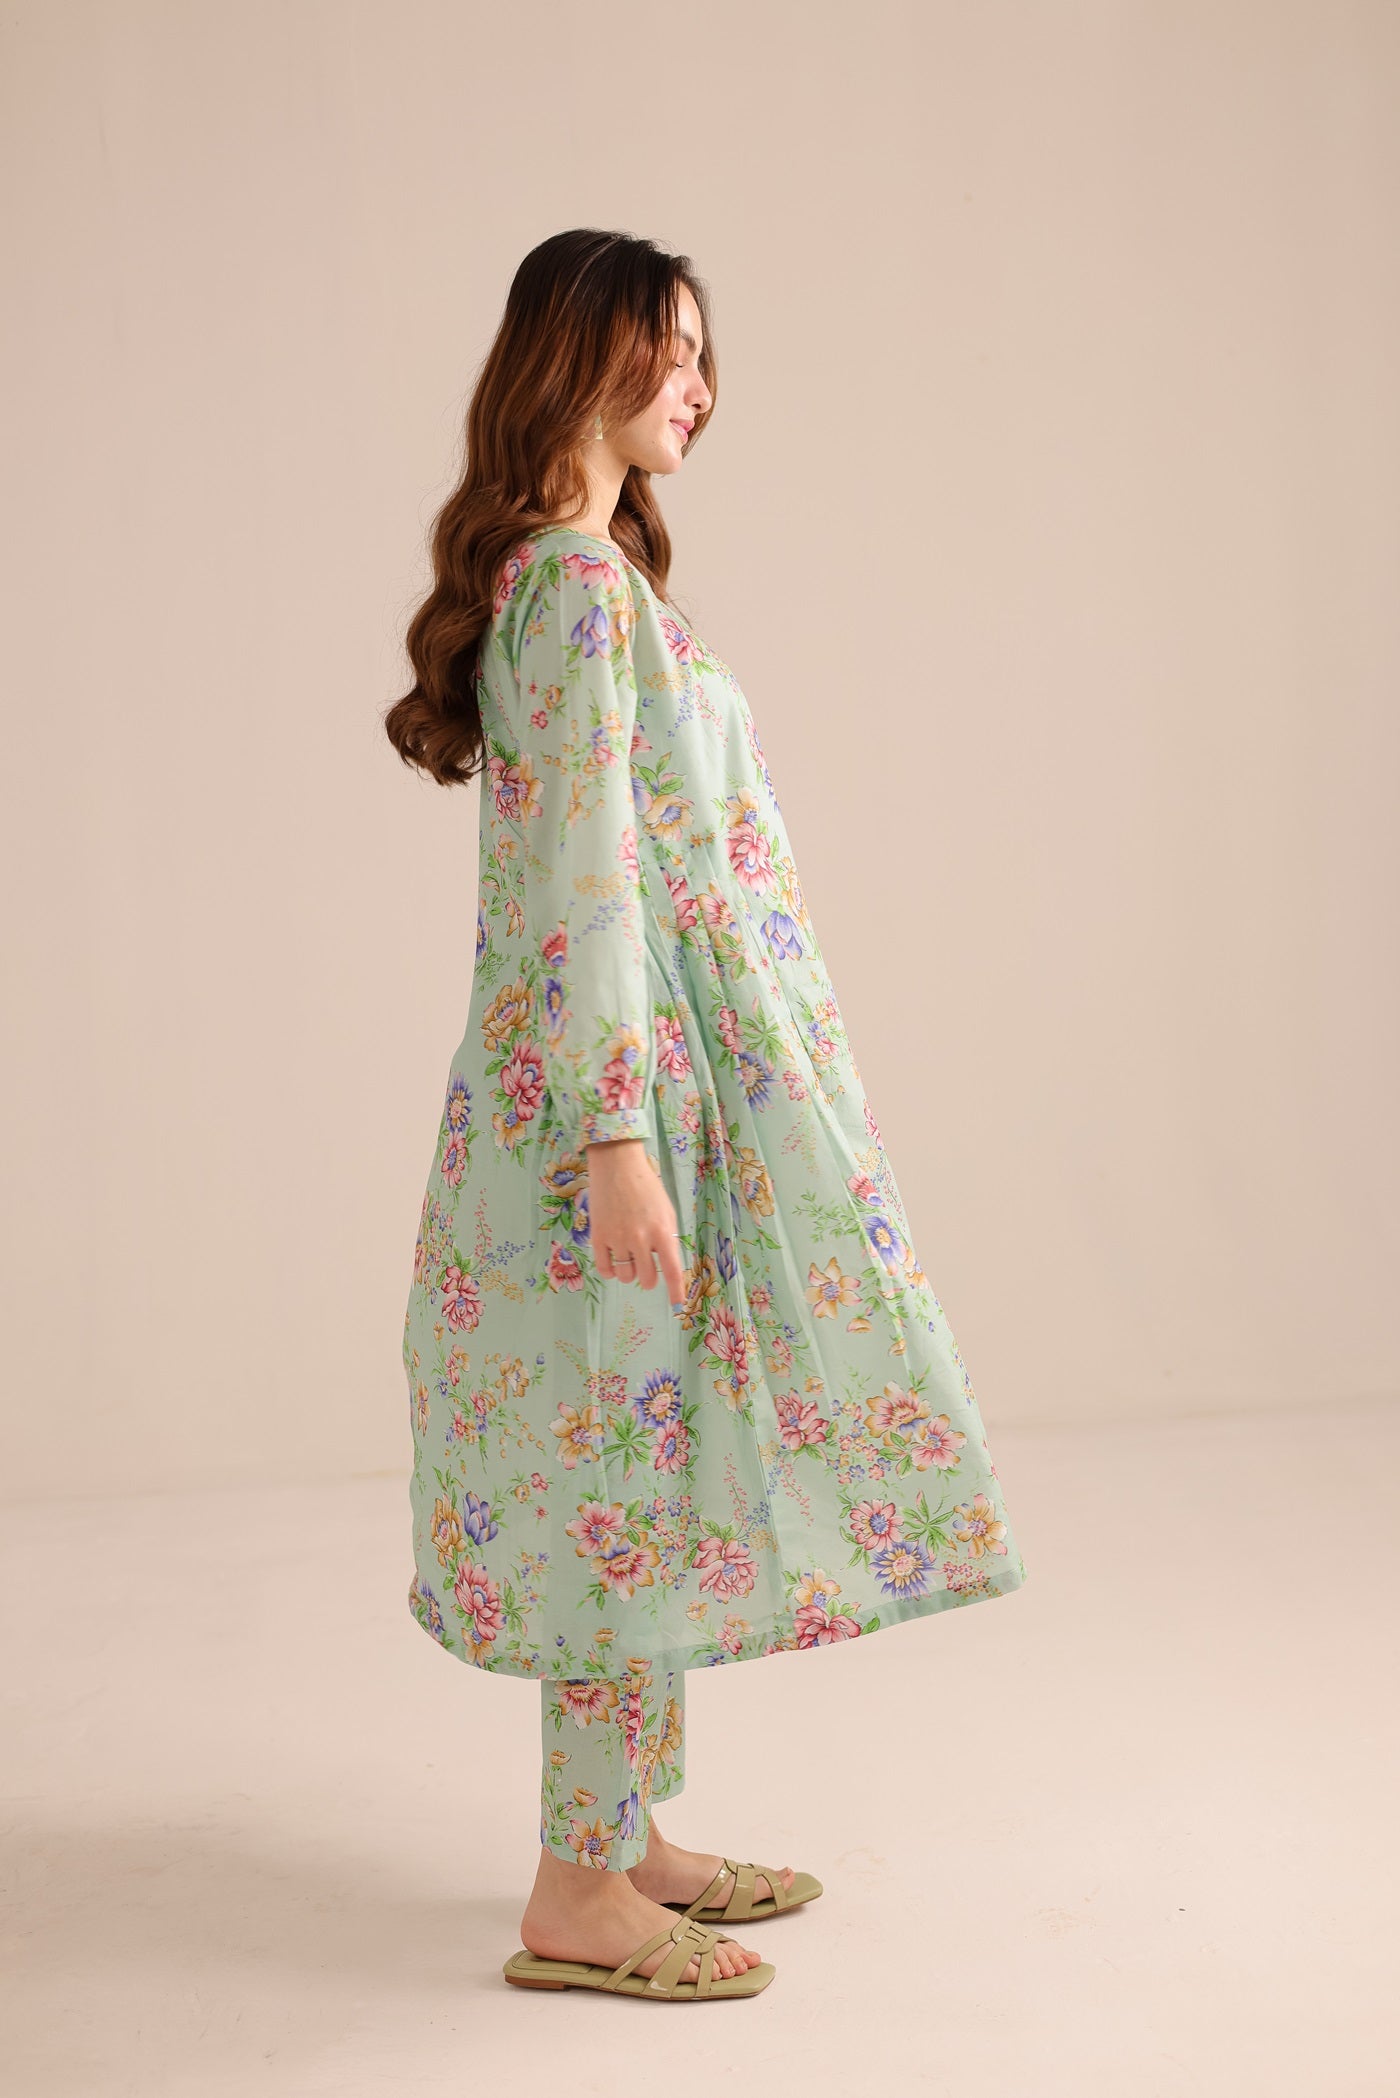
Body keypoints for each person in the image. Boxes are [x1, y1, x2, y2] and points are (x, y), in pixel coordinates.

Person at [383, 228, 1029, 2004]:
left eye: (699, 352)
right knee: (622, 1458)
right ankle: (577, 1889)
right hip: (624, 1100)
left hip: (645, 1081)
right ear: (574, 357)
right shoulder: (578, 593)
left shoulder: (574, 582)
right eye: (665, 349)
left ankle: (624, 1835)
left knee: (644, 1458)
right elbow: (587, 877)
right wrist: (616, 1139)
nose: (698, 384)